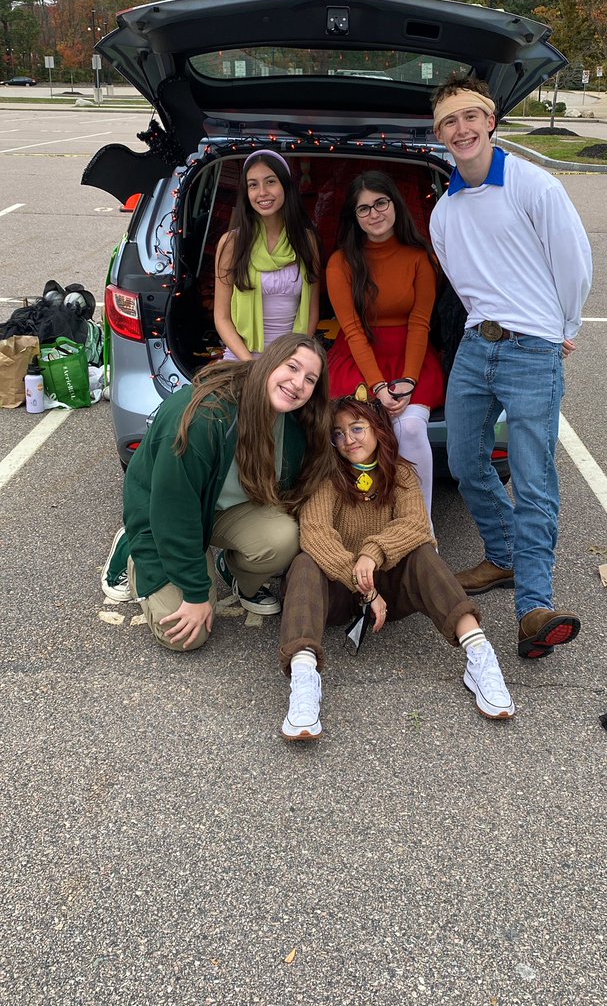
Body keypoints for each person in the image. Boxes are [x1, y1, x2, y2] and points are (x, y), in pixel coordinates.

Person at [429, 74, 593, 660]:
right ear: (439, 134)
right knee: (467, 463)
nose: (461, 129)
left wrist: (565, 327)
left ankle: (534, 609)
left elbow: (573, 261)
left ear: (491, 122)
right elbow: (463, 283)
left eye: (470, 117)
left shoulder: (534, 186)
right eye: (449, 122)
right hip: (478, 345)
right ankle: (503, 556)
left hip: (534, 349)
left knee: (532, 477)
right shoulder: (444, 212)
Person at [278, 394, 514, 740]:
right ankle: (303, 679)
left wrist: (373, 552)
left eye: (357, 428)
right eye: (338, 434)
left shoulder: (400, 472)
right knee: (304, 563)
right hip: (338, 591)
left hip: (389, 592)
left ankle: (479, 654)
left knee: (422, 552)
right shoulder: (325, 475)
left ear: (377, 429)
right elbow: (316, 534)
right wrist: (362, 585)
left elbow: (415, 525)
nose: (348, 439)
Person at [100, 335, 332, 649]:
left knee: (284, 538)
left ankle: (231, 570)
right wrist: (195, 594)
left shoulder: (295, 421)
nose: (298, 383)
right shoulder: (205, 415)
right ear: (268, 363)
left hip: (219, 510)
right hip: (165, 515)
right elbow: (174, 511)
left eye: (310, 379)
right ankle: (130, 545)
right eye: (292, 367)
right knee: (184, 638)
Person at [325, 171, 444, 519]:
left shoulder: (420, 258)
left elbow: (420, 323)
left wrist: (408, 380)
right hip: (358, 357)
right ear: (355, 217)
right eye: (363, 209)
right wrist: (378, 386)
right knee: (359, 432)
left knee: (410, 427)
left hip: (411, 358)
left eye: (380, 203)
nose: (374, 214)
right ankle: (365, 519)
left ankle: (420, 527)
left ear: (395, 205)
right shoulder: (340, 262)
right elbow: (352, 329)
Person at [214, 150, 321, 360]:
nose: (262, 192)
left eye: (270, 182)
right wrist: (252, 365)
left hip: (290, 356)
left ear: (286, 186)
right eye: (253, 185)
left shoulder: (307, 240)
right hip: (242, 358)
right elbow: (222, 318)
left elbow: (311, 313)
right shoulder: (232, 243)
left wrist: (291, 360)